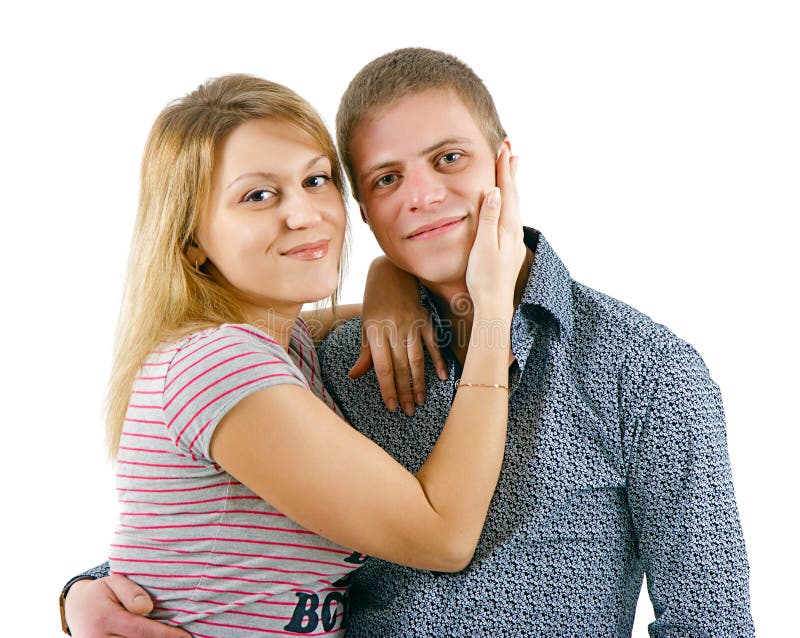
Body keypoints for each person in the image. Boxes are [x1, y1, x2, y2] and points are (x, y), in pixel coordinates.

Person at [64, 48, 755, 637]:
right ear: (364, 209)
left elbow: (711, 624)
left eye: (449, 158)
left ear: (502, 164)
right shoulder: (332, 363)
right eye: (387, 179)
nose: (421, 196)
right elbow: (221, 531)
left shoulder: (646, 371)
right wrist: (87, 593)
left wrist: (390, 280)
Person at [59, 72, 526, 637]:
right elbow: (443, 535)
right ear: (190, 240)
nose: (305, 215)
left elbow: (330, 317)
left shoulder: (285, 343)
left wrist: (392, 276)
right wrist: (494, 311)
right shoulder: (219, 363)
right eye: (258, 195)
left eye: (316, 180)